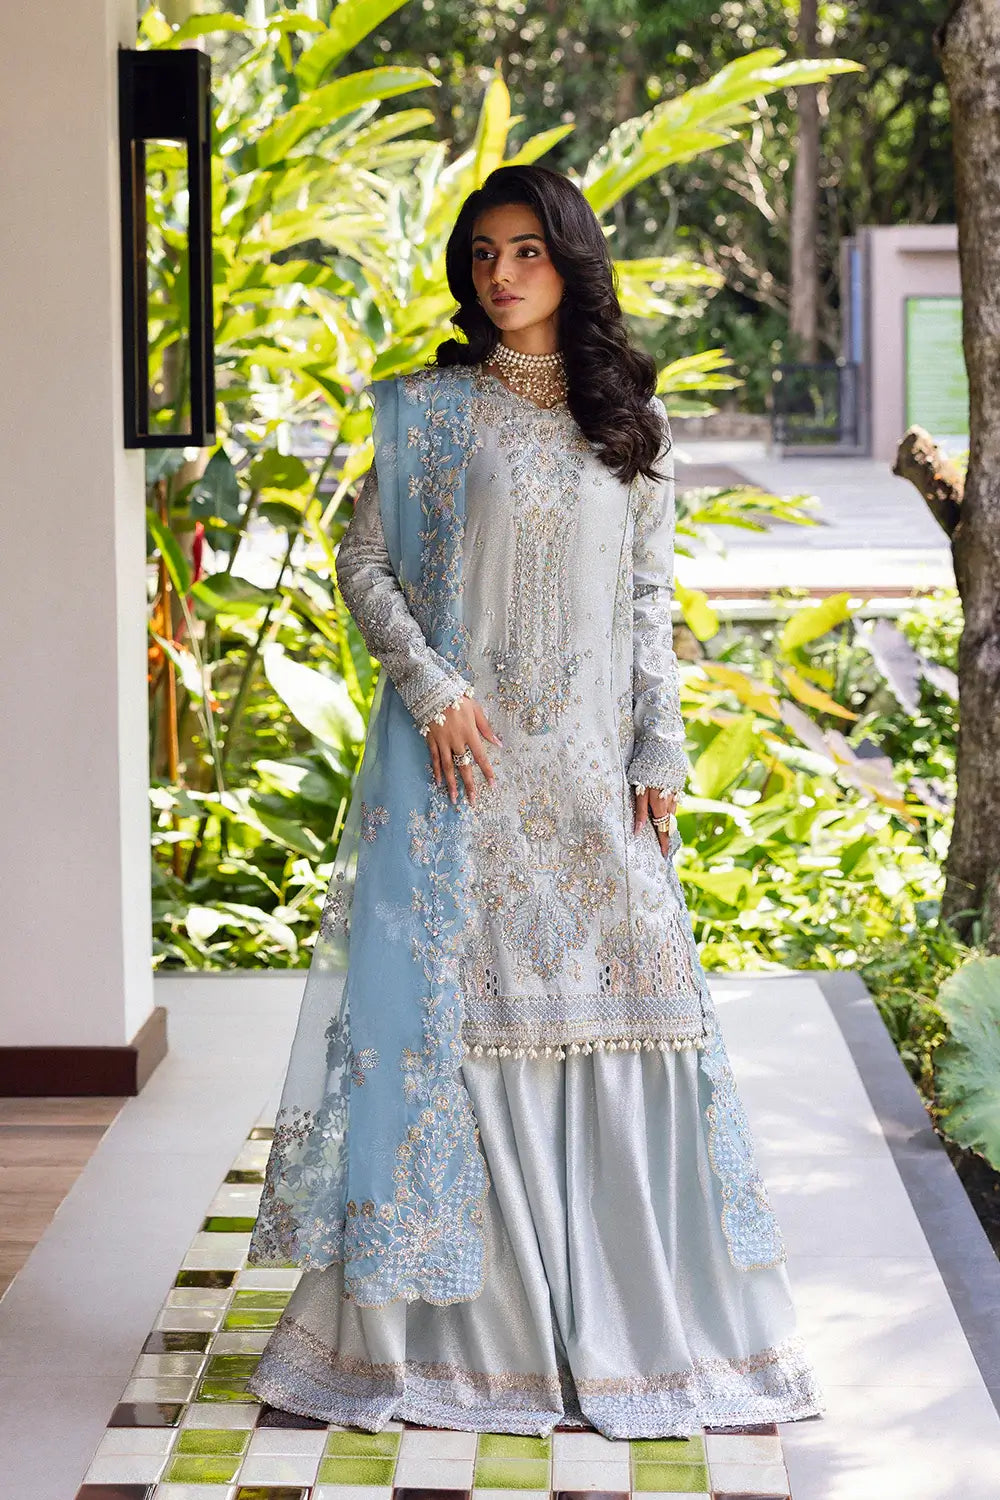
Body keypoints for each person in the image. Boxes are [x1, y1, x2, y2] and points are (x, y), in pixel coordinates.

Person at [244, 163, 825, 1438]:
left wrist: (657, 753)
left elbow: (646, 609)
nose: (497, 276)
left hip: (588, 778)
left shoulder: (630, 426)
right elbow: (363, 558)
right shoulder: (430, 412)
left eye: (524, 251)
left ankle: (643, 1329)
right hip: (467, 776)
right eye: (481, 253)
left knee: (639, 1018)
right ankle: (447, 1341)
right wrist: (430, 683)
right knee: (466, 1026)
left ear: (570, 259)